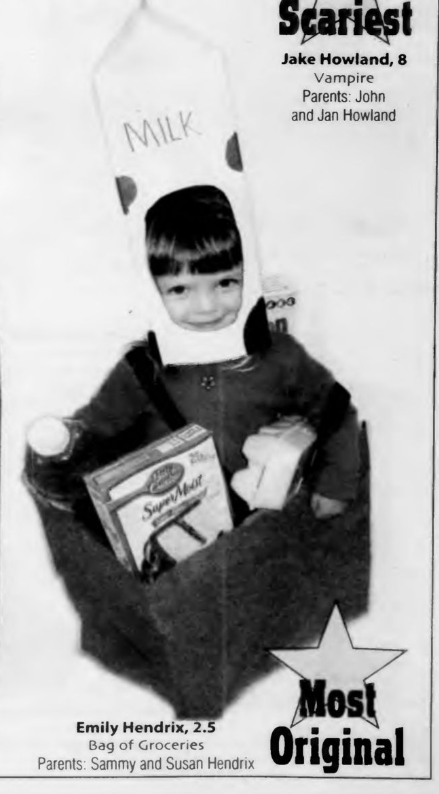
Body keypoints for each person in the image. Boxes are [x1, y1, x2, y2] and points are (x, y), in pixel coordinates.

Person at [24, 184, 368, 716]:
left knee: (243, 609)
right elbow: (98, 426)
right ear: (152, 292)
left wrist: (335, 484)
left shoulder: (277, 355)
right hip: (163, 533)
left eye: (225, 283)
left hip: (251, 525)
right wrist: (68, 442)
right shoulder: (144, 365)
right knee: (181, 619)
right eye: (180, 290)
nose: (207, 307)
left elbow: (336, 414)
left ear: (249, 277)